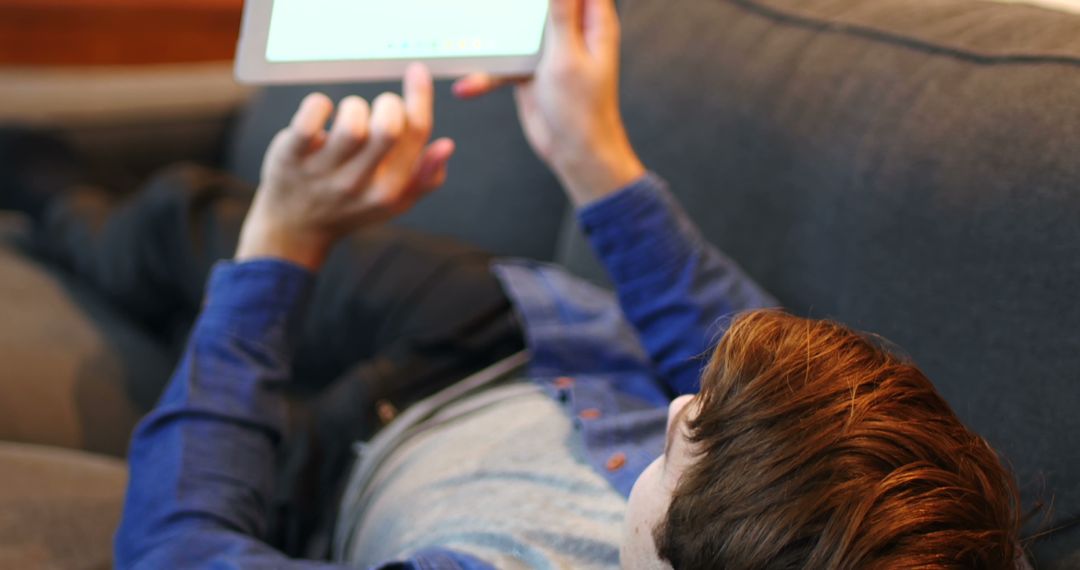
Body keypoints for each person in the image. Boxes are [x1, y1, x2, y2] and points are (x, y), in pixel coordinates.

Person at [4, 0, 1024, 567]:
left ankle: (41, 186)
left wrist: (283, 244)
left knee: (227, 264)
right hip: (520, 332)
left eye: (681, 453)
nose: (678, 404)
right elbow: (744, 362)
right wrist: (594, 156)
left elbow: (178, 547)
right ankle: (62, 196)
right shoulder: (951, 548)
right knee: (185, 224)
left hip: (371, 446)